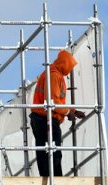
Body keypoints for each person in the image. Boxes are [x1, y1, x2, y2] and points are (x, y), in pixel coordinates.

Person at [29, 49, 85, 177]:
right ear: (64, 63)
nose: (70, 70)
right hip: (45, 118)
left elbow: (55, 100)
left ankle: (49, 178)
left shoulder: (52, 73)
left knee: (45, 151)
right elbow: (52, 101)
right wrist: (68, 113)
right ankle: (55, 179)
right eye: (70, 67)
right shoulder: (54, 75)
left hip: (41, 117)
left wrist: (73, 111)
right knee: (53, 150)